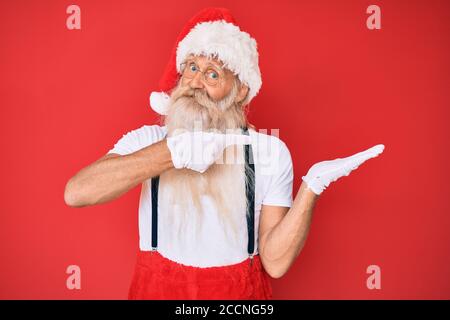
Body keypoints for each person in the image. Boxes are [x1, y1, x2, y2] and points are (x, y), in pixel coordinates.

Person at [64, 7, 384, 300]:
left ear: (240, 91)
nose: (195, 83)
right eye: (191, 68)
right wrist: (172, 152)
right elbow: (78, 192)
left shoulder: (268, 152)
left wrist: (312, 188)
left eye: (213, 73)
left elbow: (274, 262)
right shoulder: (150, 139)